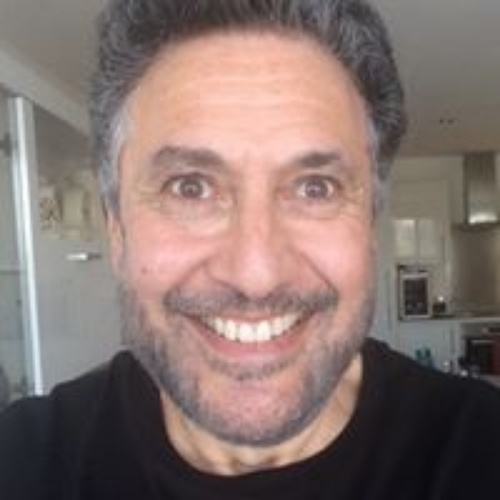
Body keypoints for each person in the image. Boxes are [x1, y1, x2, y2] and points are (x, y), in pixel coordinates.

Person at [1, 0, 500, 498]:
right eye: (190, 187)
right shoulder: (25, 462)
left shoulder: (480, 450)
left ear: (370, 226)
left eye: (316, 188)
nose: (256, 274)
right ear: (116, 229)